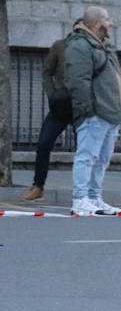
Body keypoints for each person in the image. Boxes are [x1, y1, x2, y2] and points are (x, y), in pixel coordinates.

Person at [63, 6, 121, 216]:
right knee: (87, 156)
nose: (111, 23)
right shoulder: (80, 45)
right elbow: (78, 81)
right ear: (97, 23)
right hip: (96, 113)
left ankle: (93, 197)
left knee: (101, 160)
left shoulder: (103, 45)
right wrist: (88, 110)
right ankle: (80, 199)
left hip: (110, 113)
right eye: (107, 19)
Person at [22, 24, 78, 203]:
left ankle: (85, 191)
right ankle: (38, 186)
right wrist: (51, 93)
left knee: (84, 150)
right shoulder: (60, 45)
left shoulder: (92, 49)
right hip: (60, 105)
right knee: (44, 143)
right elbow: (47, 72)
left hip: (81, 107)